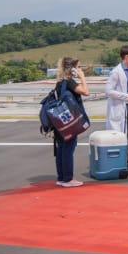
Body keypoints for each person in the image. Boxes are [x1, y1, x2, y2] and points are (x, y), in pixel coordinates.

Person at [54, 57, 89, 188]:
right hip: (70, 121)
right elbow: (86, 92)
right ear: (72, 69)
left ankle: (61, 178)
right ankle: (68, 179)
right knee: (68, 148)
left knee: (61, 149)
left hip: (59, 121)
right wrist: (82, 77)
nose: (79, 69)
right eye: (78, 67)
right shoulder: (69, 82)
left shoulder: (59, 83)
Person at [106, 45, 128, 172]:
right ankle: (122, 163)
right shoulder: (116, 72)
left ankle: (125, 161)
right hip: (120, 108)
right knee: (121, 136)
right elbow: (109, 91)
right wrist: (127, 96)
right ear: (126, 57)